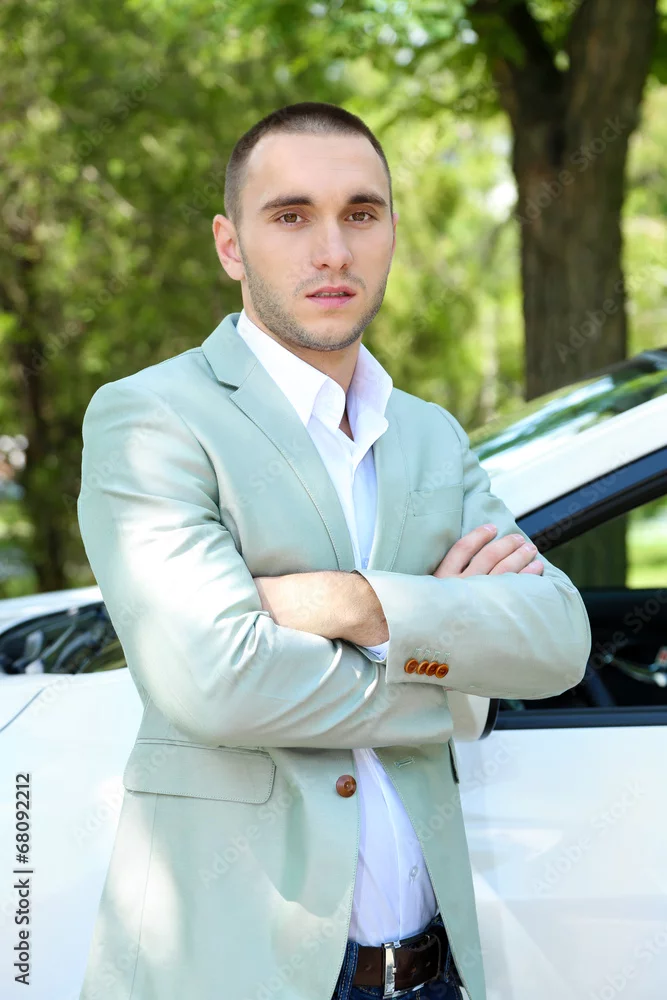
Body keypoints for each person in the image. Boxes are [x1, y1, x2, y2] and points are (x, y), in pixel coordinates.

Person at [76, 101, 592, 1000]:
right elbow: (217, 682)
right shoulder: (153, 417)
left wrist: (356, 605)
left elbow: (556, 642)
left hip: (431, 972)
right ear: (231, 246)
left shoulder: (429, 434)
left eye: (360, 213)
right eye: (290, 216)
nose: (332, 250)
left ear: (390, 231)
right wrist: (454, 681)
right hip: (240, 978)